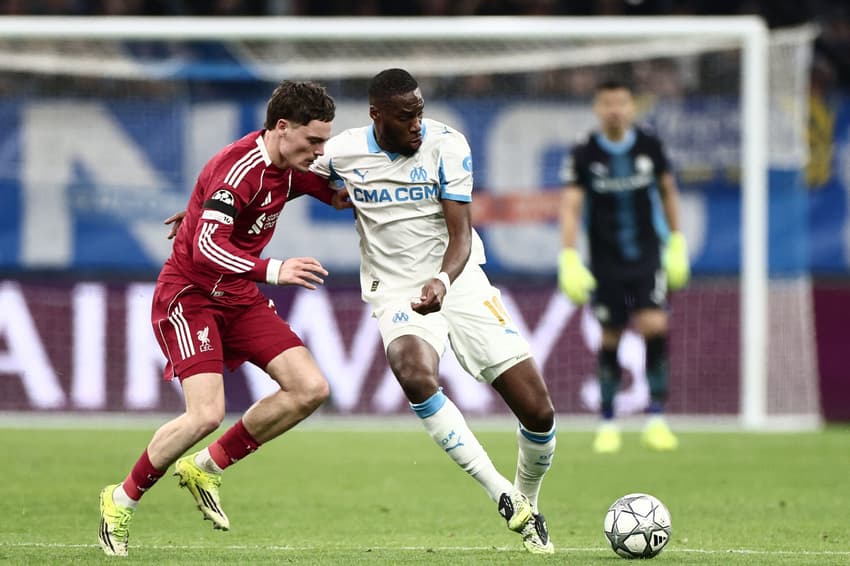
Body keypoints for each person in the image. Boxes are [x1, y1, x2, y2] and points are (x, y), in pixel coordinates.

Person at [310, 68, 557, 554]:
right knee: (414, 373)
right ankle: (502, 494)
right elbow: (281, 173)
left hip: (458, 281)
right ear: (376, 115)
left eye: (420, 112)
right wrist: (210, 207)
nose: (417, 124)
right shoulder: (343, 152)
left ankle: (527, 501)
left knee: (539, 412)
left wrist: (442, 281)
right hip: (395, 291)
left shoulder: (448, 145)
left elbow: (461, 234)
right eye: (406, 117)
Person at [98, 80, 350, 557]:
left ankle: (205, 468)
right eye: (314, 140)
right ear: (281, 128)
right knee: (206, 414)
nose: (320, 151)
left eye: (324, 141)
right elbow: (205, 246)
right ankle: (119, 499)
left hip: (236, 294)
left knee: (310, 388)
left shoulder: (292, 165)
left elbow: (338, 198)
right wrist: (276, 269)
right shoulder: (239, 170)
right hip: (190, 295)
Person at [557, 78, 690, 454]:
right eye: (607, 103)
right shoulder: (585, 152)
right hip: (605, 260)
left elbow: (667, 191)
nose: (615, 109)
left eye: (622, 102)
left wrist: (677, 241)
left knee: (655, 325)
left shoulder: (650, 146)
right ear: (598, 108)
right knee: (611, 334)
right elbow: (570, 206)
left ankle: (657, 418)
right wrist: (567, 255)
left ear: (632, 106)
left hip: (647, 255)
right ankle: (608, 421)